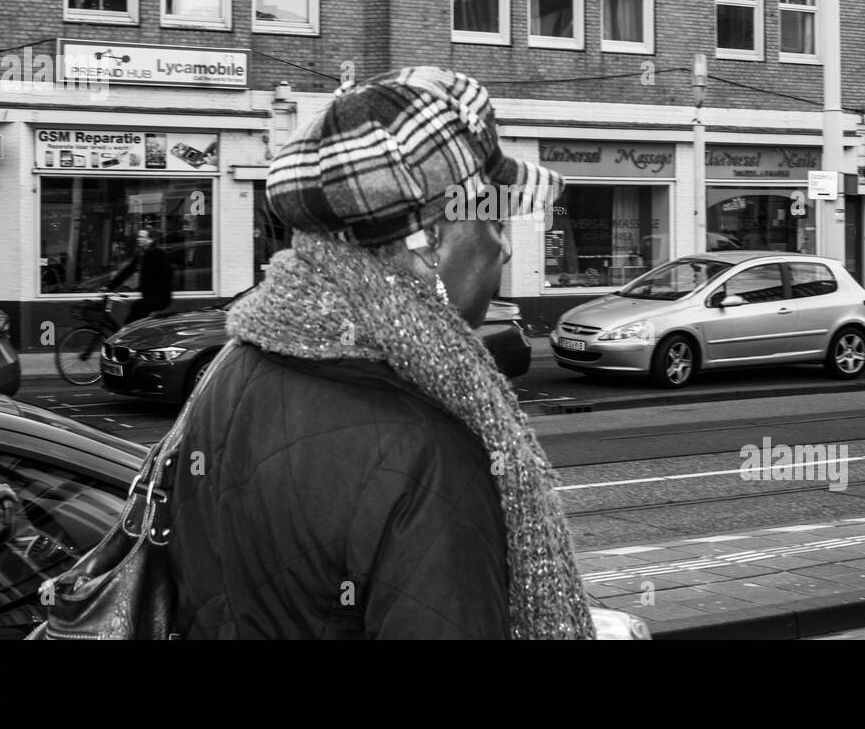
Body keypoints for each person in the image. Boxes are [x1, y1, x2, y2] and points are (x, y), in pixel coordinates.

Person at [166, 66, 595, 639]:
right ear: (430, 243)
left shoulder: (230, 371)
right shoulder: (430, 456)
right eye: (492, 218)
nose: (506, 248)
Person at [108, 228, 173, 324]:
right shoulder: (141, 254)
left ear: (150, 240)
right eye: (138, 237)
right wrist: (110, 286)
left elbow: (168, 275)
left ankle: (130, 336)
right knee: (138, 316)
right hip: (149, 296)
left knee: (135, 309)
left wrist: (155, 287)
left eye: (142, 237)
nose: (138, 239)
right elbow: (127, 271)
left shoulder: (159, 254)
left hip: (160, 297)